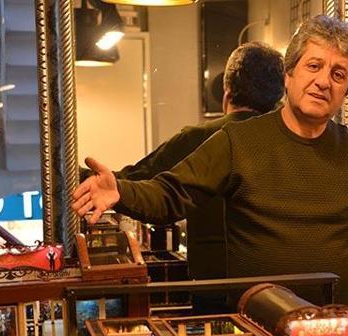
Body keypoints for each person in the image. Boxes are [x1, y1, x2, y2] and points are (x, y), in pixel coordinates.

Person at [72, 15, 348, 309]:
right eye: (313, 66)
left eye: (338, 73)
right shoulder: (237, 142)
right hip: (256, 334)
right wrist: (120, 191)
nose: (323, 81)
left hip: (339, 331)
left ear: (345, 90)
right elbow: (170, 194)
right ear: (289, 75)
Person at [110, 42, 284, 281]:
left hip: (211, 281)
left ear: (226, 92)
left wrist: (78, 176)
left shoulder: (198, 137)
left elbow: (136, 181)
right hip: (277, 283)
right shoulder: (288, 141)